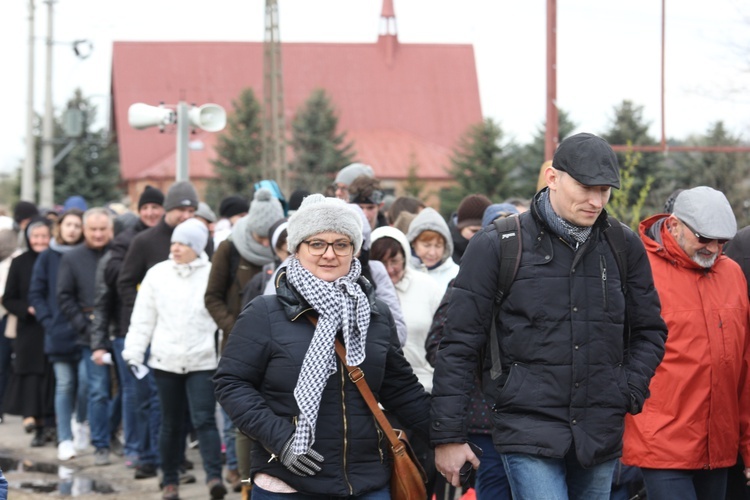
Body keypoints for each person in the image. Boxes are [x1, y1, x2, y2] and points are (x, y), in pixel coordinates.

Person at [430, 132, 668, 499]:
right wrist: (448, 435)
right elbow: (459, 343)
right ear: (553, 179)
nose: (595, 201)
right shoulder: (499, 244)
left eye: (605, 190)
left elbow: (649, 331)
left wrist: (626, 390)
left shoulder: (623, 246)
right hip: (525, 425)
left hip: (599, 430)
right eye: (586, 187)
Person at [213, 194, 431, 499]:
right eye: (317, 243)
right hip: (289, 483)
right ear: (297, 249)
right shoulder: (265, 313)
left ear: (353, 250)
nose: (329, 254)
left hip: (365, 481)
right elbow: (231, 383)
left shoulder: (374, 314)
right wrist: (282, 440)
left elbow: (401, 390)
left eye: (341, 244)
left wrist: (451, 436)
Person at [622, 186, 750, 500]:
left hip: (717, 443)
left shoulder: (732, 274)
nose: (713, 248)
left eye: (722, 241)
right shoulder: (641, 269)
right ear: (674, 224)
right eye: (704, 238)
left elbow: (742, 367)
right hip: (661, 442)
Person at [123, 218, 227, 500]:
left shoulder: (211, 273)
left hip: (202, 360)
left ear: (196, 246)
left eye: (183, 243)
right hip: (165, 360)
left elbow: (221, 317)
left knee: (204, 419)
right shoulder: (157, 274)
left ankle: (214, 478)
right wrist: (133, 351)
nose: (176, 248)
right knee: (170, 424)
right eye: (174, 242)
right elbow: (143, 319)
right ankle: (169, 481)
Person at [204, 187, 284, 494]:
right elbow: (212, 297)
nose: (265, 244)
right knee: (235, 414)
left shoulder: (290, 252)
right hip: (237, 343)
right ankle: (238, 474)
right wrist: (236, 328)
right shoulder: (230, 248)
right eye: (260, 236)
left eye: (270, 238)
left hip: (274, 348)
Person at [95, 185, 165, 471]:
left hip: (165, 328)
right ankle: (135, 450)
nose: (150, 212)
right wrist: (137, 258)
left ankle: (158, 452)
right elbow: (113, 275)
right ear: (139, 210)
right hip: (129, 328)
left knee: (158, 395)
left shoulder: (171, 238)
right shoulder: (126, 239)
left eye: (155, 207)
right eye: (146, 207)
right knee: (135, 393)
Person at [57, 207, 114, 466]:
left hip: (120, 329)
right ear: (84, 229)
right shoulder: (73, 258)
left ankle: (113, 435)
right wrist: (84, 327)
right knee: (98, 390)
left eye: (103, 229)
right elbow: (65, 296)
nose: (98, 234)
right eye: (93, 229)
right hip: (89, 333)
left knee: (127, 392)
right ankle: (100, 443)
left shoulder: (118, 254)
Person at [28, 209, 86, 461]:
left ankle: (79, 420)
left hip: (85, 332)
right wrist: (48, 320)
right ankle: (64, 438)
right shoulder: (48, 257)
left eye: (77, 225)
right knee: (65, 384)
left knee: (87, 384)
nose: (73, 229)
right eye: (68, 224)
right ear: (59, 227)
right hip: (58, 331)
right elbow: (36, 292)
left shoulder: (87, 254)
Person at [1, 217, 55, 447]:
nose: (40, 241)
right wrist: (27, 309)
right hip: (29, 329)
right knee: (31, 378)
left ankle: (51, 424)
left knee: (51, 377)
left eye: (44, 236)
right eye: (36, 236)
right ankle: (37, 425)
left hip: (51, 327)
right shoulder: (20, 262)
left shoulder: (55, 259)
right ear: (29, 238)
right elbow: (9, 298)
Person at [406, 207, 459, 291]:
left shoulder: (456, 275)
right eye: (426, 245)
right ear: (413, 242)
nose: (432, 253)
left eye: (438, 246)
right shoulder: (403, 272)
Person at [450, 194, 492, 264]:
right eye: (474, 231)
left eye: (486, 230)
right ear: (460, 228)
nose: (480, 235)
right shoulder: (444, 250)